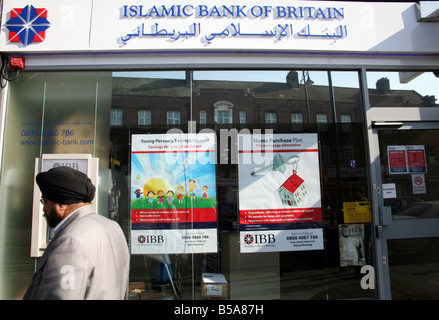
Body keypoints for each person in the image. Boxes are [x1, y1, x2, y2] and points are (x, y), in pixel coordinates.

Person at [23, 166, 130, 300]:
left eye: (45, 201)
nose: (44, 208)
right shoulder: (113, 227)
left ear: (62, 204)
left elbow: (61, 296)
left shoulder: (71, 239)